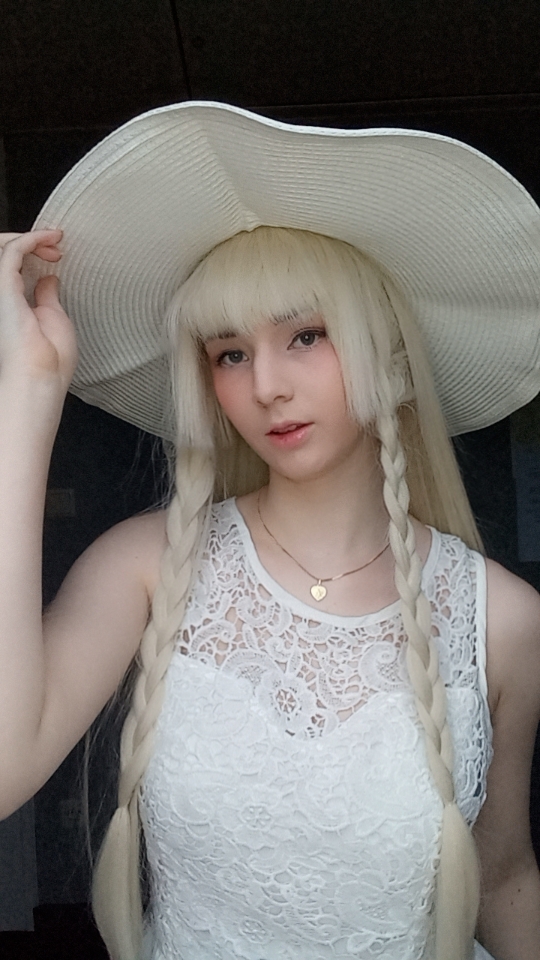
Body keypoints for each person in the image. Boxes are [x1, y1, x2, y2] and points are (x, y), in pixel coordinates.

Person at [0, 102, 540, 960]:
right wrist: (29, 397)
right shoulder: (148, 565)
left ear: (390, 351)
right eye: (231, 353)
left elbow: (503, 870)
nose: (267, 386)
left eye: (307, 335)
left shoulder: (500, 619)